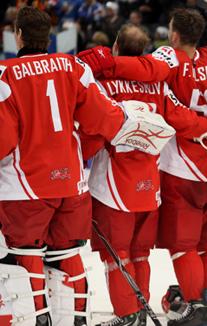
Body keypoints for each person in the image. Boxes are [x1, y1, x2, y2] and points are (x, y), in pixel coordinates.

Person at [0, 7, 171, 326]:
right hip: (72, 184)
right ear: (49, 37)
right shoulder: (72, 67)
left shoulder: (5, 73)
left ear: (18, 35)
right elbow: (103, 118)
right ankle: (75, 318)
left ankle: (37, 320)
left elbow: (4, 139)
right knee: (66, 253)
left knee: (28, 254)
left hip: (25, 186)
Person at [84, 24, 207, 326]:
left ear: (116, 49)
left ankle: (129, 315)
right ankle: (139, 309)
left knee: (116, 255)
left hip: (114, 183)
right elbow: (182, 119)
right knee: (139, 253)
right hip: (150, 182)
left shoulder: (103, 84)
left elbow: (92, 131)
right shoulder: (159, 85)